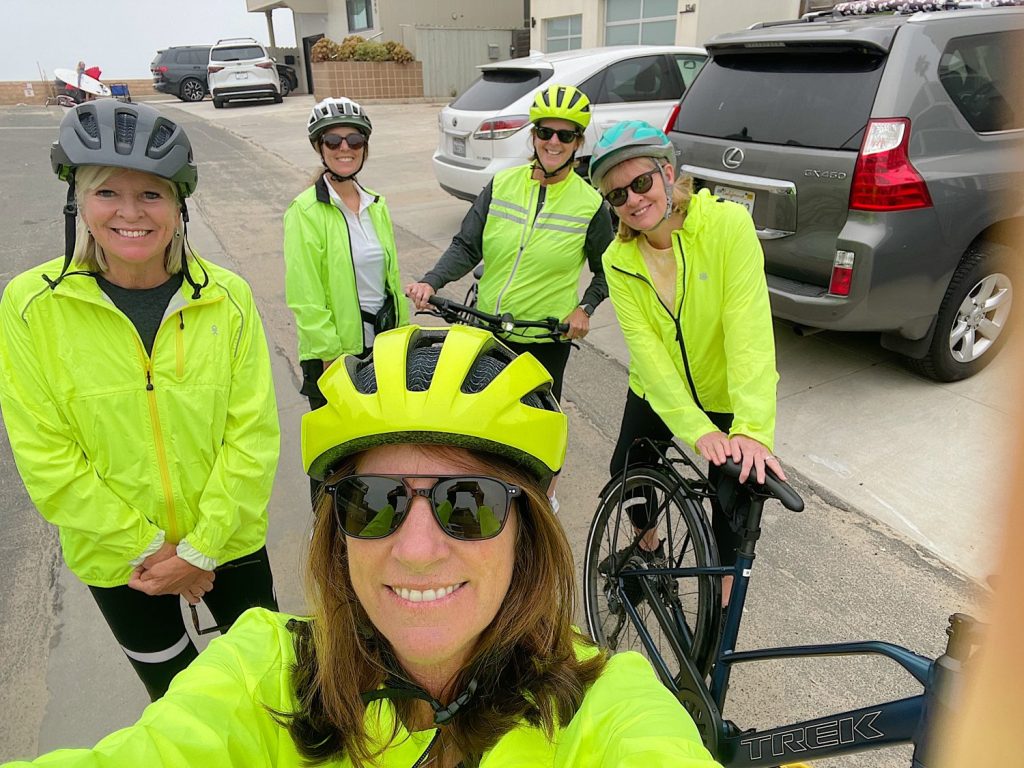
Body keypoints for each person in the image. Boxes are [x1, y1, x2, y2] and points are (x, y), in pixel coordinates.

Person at [0, 324, 723, 768]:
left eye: (465, 505)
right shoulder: (264, 672)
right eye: (372, 504)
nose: (414, 550)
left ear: (528, 528)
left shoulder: (607, 701)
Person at [0, 100, 280, 700]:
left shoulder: (226, 298)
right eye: (108, 194)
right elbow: (46, 457)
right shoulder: (30, 306)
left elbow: (251, 435)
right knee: (176, 700)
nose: (130, 213)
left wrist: (201, 549)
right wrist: (155, 549)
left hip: (227, 541)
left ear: (180, 207)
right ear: (79, 201)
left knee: (269, 689)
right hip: (121, 559)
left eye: (152, 195)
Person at [588, 121, 782, 596]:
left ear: (668, 172)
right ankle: (648, 547)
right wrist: (696, 430)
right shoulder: (618, 260)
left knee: (731, 517)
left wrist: (751, 430)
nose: (633, 200)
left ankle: (716, 631)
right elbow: (649, 356)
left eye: (641, 182)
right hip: (657, 389)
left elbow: (749, 332)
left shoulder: (729, 227)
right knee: (628, 472)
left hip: (724, 393)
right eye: (618, 196)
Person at [405, 84, 613, 405]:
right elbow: (466, 246)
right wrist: (431, 281)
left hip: (546, 337)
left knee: (536, 426)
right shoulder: (502, 184)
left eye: (565, 135)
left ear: (579, 142)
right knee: (479, 417)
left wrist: (584, 309)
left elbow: (606, 273)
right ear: (533, 136)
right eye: (545, 132)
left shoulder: (590, 205)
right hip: (487, 329)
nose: (553, 142)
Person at [284, 96, 409, 413]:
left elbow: (389, 282)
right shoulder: (306, 211)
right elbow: (304, 294)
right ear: (320, 147)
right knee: (340, 455)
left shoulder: (376, 205)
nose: (345, 148)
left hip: (381, 347)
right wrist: (331, 355)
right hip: (335, 355)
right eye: (333, 140)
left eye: (354, 139)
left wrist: (402, 337)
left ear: (364, 146)